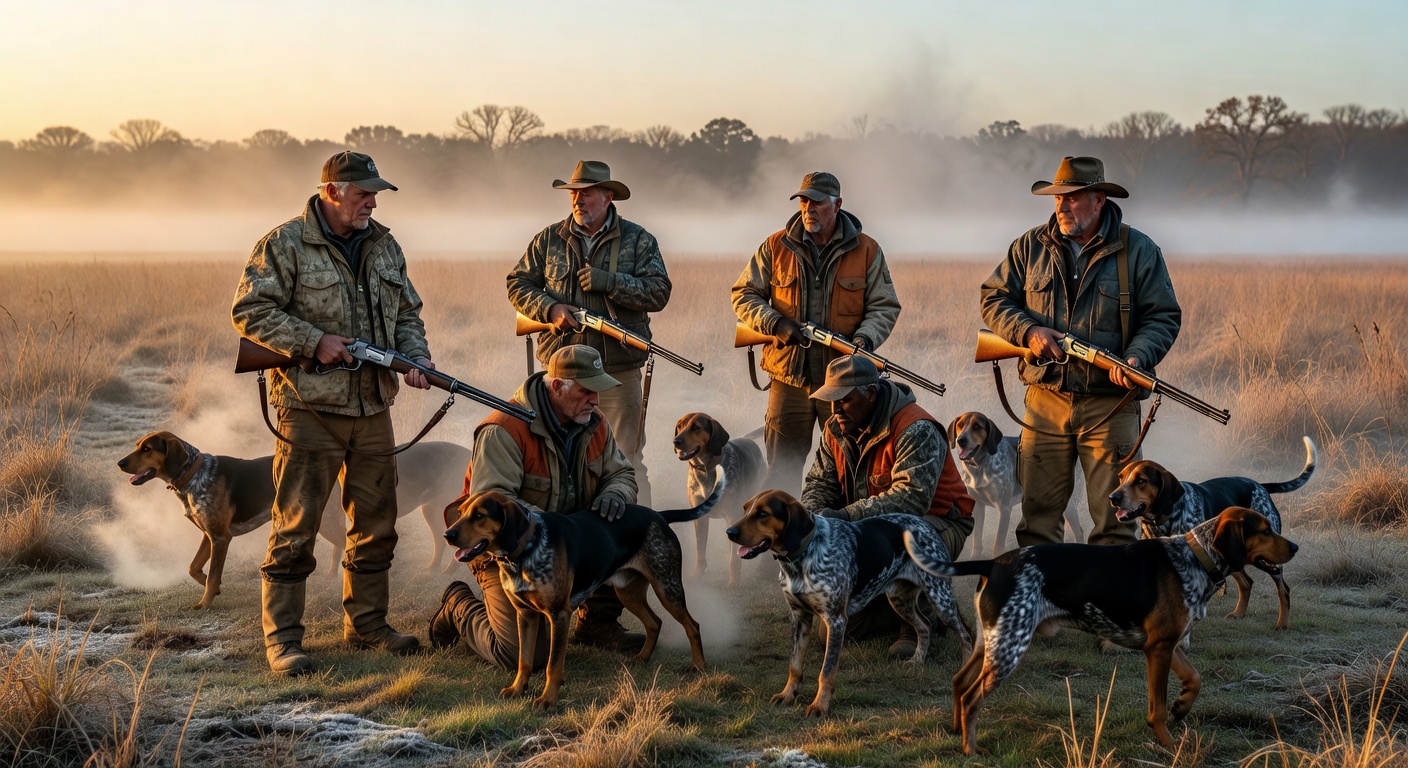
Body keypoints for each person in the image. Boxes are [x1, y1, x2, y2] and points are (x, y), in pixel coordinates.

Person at [232, 151, 434, 676]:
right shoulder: (285, 244)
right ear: (331, 191)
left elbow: (407, 311)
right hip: (309, 408)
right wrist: (312, 340)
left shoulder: (384, 245)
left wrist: (416, 359)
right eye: (363, 192)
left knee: (377, 521)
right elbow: (249, 311)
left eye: (376, 193)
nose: (372, 200)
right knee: (296, 523)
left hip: (372, 405)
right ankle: (284, 641)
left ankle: (367, 625)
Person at [980, 156, 1181, 547]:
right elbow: (993, 299)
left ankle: (1106, 606)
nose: (1062, 206)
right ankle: (1043, 602)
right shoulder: (1029, 246)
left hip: (1111, 405)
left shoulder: (1139, 250)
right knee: (1038, 516)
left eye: (1073, 197)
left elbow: (1163, 316)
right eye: (1058, 198)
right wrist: (1027, 331)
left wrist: (1137, 358)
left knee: (1115, 521)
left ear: (1099, 199)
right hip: (1045, 401)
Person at [428, 345, 641, 668]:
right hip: (503, 552)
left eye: (598, 391)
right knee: (521, 656)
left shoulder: (593, 421)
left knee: (623, 523)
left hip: (567, 547)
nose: (596, 401)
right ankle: (458, 605)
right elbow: (491, 499)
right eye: (587, 391)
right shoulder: (503, 429)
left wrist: (616, 494)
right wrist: (567, 532)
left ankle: (597, 623)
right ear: (558, 387)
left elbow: (622, 473)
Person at [506, 160, 671, 506]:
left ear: (608, 196)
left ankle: (638, 538)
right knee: (557, 458)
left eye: (586, 194)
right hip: (561, 374)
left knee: (625, 459)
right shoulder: (549, 239)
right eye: (573, 194)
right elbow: (517, 284)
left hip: (617, 370)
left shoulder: (639, 240)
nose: (577, 200)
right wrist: (550, 310)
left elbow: (659, 292)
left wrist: (610, 283)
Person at [732, 171, 901, 494]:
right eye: (804, 201)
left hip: (842, 380)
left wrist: (863, 341)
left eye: (818, 201)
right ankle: (779, 539)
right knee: (782, 466)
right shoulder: (775, 245)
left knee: (848, 462)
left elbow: (885, 306)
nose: (808, 208)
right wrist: (776, 324)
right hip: (788, 378)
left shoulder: (866, 250)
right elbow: (743, 294)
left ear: (837, 205)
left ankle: (842, 533)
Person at [801, 355, 975, 659]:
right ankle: (912, 597)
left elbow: (911, 500)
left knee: (912, 542)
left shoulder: (915, 427)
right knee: (838, 630)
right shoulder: (834, 428)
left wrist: (842, 517)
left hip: (935, 525)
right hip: (869, 533)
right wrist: (813, 519)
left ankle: (920, 619)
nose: (835, 408)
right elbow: (818, 484)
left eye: (843, 399)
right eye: (830, 400)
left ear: (871, 393)